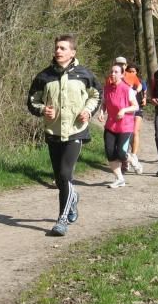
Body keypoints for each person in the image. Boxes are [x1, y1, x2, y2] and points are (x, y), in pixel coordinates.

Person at [27, 35, 102, 236]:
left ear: (72, 52)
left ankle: (62, 219)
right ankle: (73, 198)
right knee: (60, 180)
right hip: (53, 132)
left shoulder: (84, 74)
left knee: (65, 174)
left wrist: (88, 111)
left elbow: (96, 95)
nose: (58, 51)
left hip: (76, 131)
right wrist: (43, 110)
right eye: (57, 48)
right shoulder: (44, 76)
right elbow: (32, 101)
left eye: (63, 48)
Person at [98, 63, 139, 188]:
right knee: (110, 152)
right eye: (111, 71)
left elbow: (136, 106)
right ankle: (119, 179)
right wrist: (101, 112)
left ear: (122, 75)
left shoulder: (127, 89)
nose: (113, 74)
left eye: (116, 72)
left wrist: (124, 110)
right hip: (110, 126)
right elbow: (104, 103)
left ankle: (132, 160)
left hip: (125, 126)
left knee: (121, 153)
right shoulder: (106, 89)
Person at [107, 56, 144, 175]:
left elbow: (140, 85)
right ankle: (124, 166)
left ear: (125, 66)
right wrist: (103, 111)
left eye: (122, 64)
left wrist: (136, 91)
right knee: (113, 149)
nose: (120, 65)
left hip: (128, 114)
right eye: (118, 63)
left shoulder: (131, 76)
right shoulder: (110, 78)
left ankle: (131, 158)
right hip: (113, 120)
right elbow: (107, 96)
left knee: (134, 133)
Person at [124, 62, 147, 174]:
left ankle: (133, 154)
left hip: (138, 109)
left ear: (137, 72)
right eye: (130, 71)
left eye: (134, 71)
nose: (132, 73)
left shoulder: (140, 81)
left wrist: (145, 98)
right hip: (128, 109)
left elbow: (144, 91)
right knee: (127, 133)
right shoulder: (124, 81)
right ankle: (126, 157)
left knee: (135, 131)